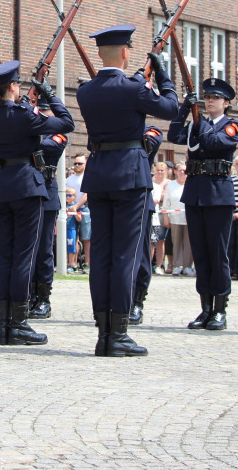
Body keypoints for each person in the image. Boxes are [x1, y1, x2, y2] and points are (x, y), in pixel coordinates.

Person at [76, 25, 179, 357]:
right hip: (130, 177)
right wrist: (163, 77)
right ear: (125, 52)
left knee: (102, 256)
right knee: (126, 256)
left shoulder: (85, 91)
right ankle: (118, 333)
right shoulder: (134, 88)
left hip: (100, 175)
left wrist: (139, 81)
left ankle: (103, 332)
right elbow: (170, 108)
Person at [0, 60, 74, 346]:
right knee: (23, 258)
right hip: (26, 187)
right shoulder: (24, 115)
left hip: (3, 186)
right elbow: (67, 122)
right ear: (12, 86)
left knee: (6, 259)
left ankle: (4, 324)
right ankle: (18, 323)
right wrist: (50, 94)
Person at [169, 78, 238, 331]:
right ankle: (205, 308)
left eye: (215, 98)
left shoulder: (232, 125)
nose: (210, 101)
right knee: (200, 253)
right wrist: (183, 110)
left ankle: (220, 309)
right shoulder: (195, 124)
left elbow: (214, 143)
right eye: (207, 98)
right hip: (196, 191)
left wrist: (197, 122)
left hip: (219, 194)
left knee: (217, 253)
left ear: (226, 103)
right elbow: (174, 135)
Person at [28, 100, 72, 320]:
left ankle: (43, 297)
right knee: (27, 249)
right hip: (27, 192)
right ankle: (26, 294)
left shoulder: (58, 133)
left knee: (44, 249)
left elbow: (49, 147)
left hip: (46, 194)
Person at [129, 125, 165, 325]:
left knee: (141, 254)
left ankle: (136, 301)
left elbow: (148, 145)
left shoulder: (150, 130)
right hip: (113, 194)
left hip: (138, 196)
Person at [65, 154, 91, 272]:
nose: (77, 165)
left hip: (84, 208)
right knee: (72, 237)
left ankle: (87, 263)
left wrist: (77, 206)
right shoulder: (69, 179)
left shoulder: (88, 177)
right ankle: (72, 263)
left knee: (86, 238)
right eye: (75, 163)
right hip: (70, 210)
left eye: (79, 163)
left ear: (85, 164)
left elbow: (87, 194)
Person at [165, 162, 192, 276]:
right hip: (175, 219)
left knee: (188, 243)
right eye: (180, 170)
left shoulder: (191, 184)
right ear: (175, 171)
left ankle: (187, 266)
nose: (182, 172)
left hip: (189, 218)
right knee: (176, 242)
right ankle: (177, 265)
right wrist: (166, 217)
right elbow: (166, 202)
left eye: (184, 170)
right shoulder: (171, 185)